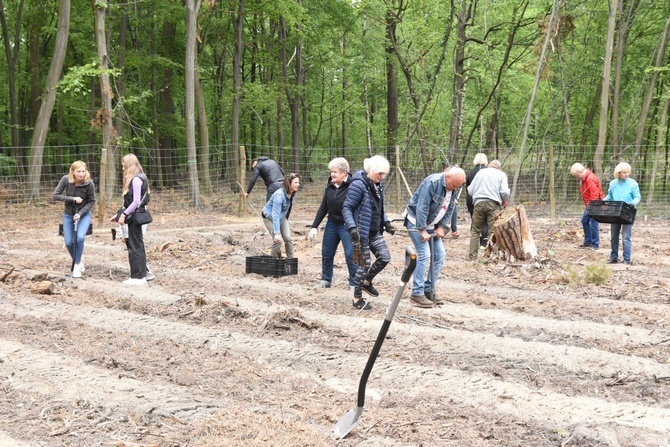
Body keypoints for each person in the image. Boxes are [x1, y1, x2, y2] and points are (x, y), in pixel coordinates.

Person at [403, 165, 466, 308]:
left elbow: (450, 208)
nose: (454, 189)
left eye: (458, 187)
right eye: (453, 185)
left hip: (433, 224)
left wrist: (443, 227)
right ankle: (416, 293)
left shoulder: (454, 187)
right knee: (424, 254)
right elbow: (422, 207)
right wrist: (422, 229)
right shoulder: (432, 182)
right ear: (447, 176)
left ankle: (429, 289)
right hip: (416, 222)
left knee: (440, 254)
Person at [342, 155, 395, 310]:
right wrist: (352, 228)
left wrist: (386, 222)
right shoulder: (358, 185)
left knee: (385, 257)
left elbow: (378, 208)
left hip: (374, 231)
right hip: (359, 233)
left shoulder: (378, 185)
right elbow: (346, 208)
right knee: (364, 265)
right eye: (380, 173)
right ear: (371, 170)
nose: (382, 176)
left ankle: (366, 282)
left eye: (384, 174)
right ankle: (356, 298)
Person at [309, 157, 357, 290]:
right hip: (332, 223)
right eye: (331, 172)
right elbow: (323, 206)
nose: (332, 175)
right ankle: (326, 279)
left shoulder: (353, 186)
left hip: (347, 225)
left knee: (350, 254)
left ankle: (354, 283)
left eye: (335, 172)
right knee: (327, 252)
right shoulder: (330, 185)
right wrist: (314, 226)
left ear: (344, 173)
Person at [53, 160, 96, 278]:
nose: (81, 174)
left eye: (83, 171)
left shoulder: (89, 183)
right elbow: (55, 195)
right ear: (72, 171)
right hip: (68, 214)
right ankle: (79, 261)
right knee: (69, 242)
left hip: (83, 215)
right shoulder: (66, 180)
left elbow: (92, 201)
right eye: (78, 171)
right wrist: (72, 198)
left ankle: (76, 265)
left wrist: (81, 213)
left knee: (80, 238)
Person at [115, 154, 151, 285]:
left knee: (135, 246)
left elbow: (136, 201)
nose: (122, 166)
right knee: (137, 245)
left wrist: (124, 214)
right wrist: (119, 214)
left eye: (123, 163)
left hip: (135, 217)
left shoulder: (136, 179)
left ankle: (138, 277)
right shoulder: (140, 177)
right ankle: (142, 275)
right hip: (136, 215)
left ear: (129, 164)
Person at [467, 160, 510, 262]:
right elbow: (504, 192)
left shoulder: (480, 172)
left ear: (489, 165)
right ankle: (491, 256)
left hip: (478, 204)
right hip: (493, 204)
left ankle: (472, 257)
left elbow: (470, 190)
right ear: (499, 167)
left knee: (475, 231)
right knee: (493, 231)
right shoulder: (501, 174)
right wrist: (504, 199)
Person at [604, 162, 641, 265]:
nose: (626, 174)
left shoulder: (633, 183)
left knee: (626, 237)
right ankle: (614, 257)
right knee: (613, 237)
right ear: (618, 173)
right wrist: (602, 202)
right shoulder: (613, 184)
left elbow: (637, 196)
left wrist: (633, 203)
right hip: (615, 212)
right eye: (624, 172)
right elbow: (610, 196)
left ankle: (626, 259)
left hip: (628, 212)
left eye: (627, 172)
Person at [262, 173, 300, 258]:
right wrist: (277, 233)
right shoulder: (279, 195)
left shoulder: (293, 193)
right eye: (296, 182)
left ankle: (290, 260)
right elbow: (275, 215)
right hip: (269, 217)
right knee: (278, 241)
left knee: (288, 239)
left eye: (298, 182)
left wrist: (285, 220)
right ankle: (271, 261)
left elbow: (288, 209)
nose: (298, 184)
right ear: (289, 184)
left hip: (282, 217)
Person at [570, 162, 604, 250]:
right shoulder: (584, 179)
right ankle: (588, 241)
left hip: (595, 204)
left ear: (581, 171)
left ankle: (595, 244)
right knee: (584, 220)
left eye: (577, 175)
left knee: (593, 224)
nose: (577, 178)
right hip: (589, 204)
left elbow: (594, 194)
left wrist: (592, 206)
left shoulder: (590, 178)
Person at [466, 153, 489, 247]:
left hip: (471, 198)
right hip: (483, 197)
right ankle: (484, 242)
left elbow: (468, 188)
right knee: (485, 222)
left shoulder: (471, 172)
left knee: (475, 221)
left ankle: (475, 241)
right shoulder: (487, 172)